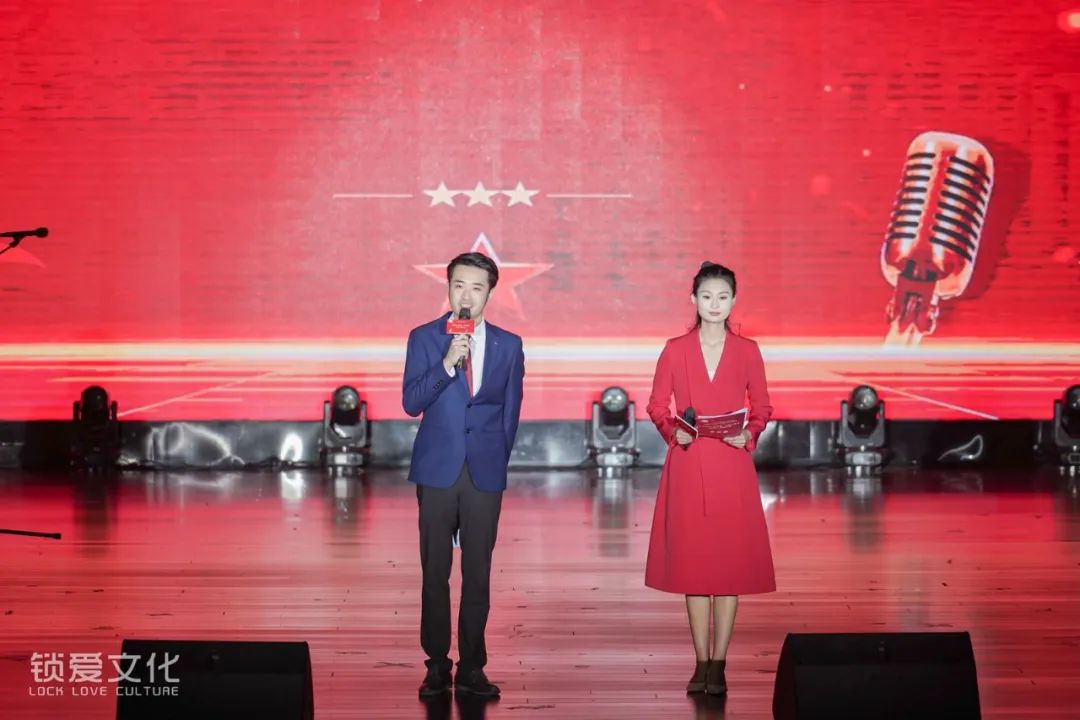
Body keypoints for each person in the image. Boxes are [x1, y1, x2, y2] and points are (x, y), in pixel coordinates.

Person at [644, 261, 775, 696]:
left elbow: (762, 406)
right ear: (693, 300)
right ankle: (700, 660)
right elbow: (657, 405)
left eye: (722, 297)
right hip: (688, 461)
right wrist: (672, 431)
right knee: (695, 566)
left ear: (733, 300)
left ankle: (719, 663)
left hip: (732, 464)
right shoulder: (675, 349)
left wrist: (750, 434)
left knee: (728, 567)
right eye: (706, 296)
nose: (714, 304)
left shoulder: (748, 350)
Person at [402, 252, 525, 699]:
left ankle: (472, 665)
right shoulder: (425, 338)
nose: (466, 295)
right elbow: (411, 402)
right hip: (437, 468)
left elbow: (510, 413)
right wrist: (447, 363)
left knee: (478, 573)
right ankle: (437, 664)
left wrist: (495, 461)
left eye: (476, 287)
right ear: (448, 288)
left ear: (490, 292)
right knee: (435, 571)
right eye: (458, 285)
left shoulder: (509, 345)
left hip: (484, 471)